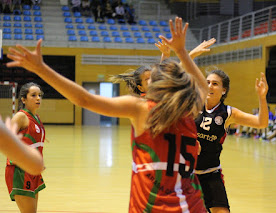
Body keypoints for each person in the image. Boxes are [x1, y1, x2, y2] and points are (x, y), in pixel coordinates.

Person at [7, 17, 208, 212]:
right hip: (191, 206)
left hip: (152, 207)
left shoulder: (141, 109)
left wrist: (41, 69)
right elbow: (202, 87)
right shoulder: (190, 108)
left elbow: (84, 100)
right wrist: (182, 52)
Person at [194, 69, 268, 213]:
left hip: (211, 173)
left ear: (223, 90)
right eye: (207, 82)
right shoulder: (193, 105)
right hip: (187, 174)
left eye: (215, 84)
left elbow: (261, 123)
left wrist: (262, 97)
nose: (209, 86)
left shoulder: (228, 113)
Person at [5, 82, 46, 213]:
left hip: (33, 171)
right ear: (23, 99)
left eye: (39, 95)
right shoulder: (21, 117)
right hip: (20, 170)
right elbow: (6, 141)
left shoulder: (37, 118)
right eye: (33, 95)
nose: (38, 98)